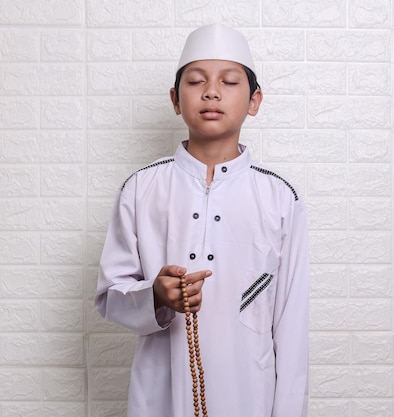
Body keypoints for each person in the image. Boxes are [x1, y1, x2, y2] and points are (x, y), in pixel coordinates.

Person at [94, 23, 309, 417]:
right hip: (161, 394)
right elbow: (110, 295)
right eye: (196, 82)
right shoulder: (141, 188)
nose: (211, 92)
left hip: (251, 394)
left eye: (229, 81)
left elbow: (291, 325)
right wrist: (156, 296)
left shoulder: (280, 197)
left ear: (254, 100)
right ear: (176, 99)